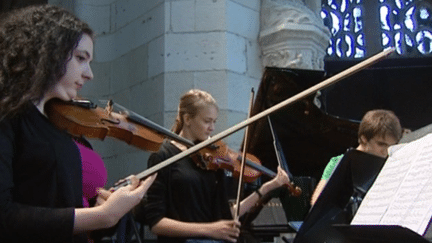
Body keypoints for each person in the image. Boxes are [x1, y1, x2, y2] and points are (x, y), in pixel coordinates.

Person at [0, 4, 156, 243]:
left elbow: (64, 208)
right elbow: (5, 216)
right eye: (81, 58)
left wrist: (103, 211)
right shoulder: (8, 114)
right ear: (46, 52)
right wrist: (102, 215)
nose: (89, 74)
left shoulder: (59, 124)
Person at [137, 89, 291, 243]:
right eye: (207, 121)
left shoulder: (212, 160)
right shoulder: (163, 156)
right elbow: (156, 223)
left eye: (214, 121)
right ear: (187, 119)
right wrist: (211, 230)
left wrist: (266, 188)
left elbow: (227, 214)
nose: (212, 128)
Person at [310, 109, 402, 206]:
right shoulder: (338, 161)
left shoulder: (388, 163)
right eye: (381, 144)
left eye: (390, 146)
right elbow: (316, 201)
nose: (386, 150)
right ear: (364, 138)